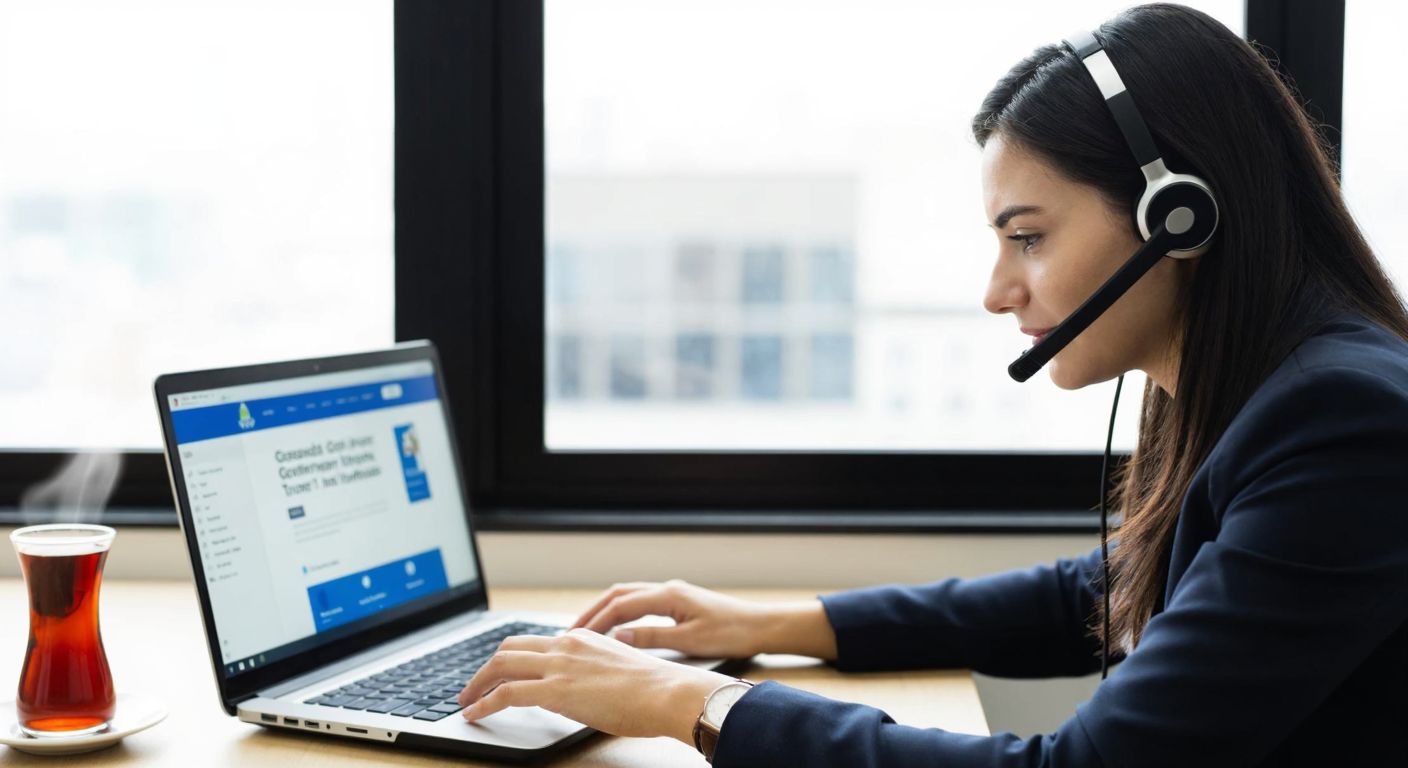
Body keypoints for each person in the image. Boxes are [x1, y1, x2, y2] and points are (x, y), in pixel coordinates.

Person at [454, 4, 1408, 765]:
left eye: (1028, 237)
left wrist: (692, 703)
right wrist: (776, 621)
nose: (998, 292)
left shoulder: (1345, 424)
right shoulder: (1263, 387)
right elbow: (1109, 586)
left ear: (1180, 216)